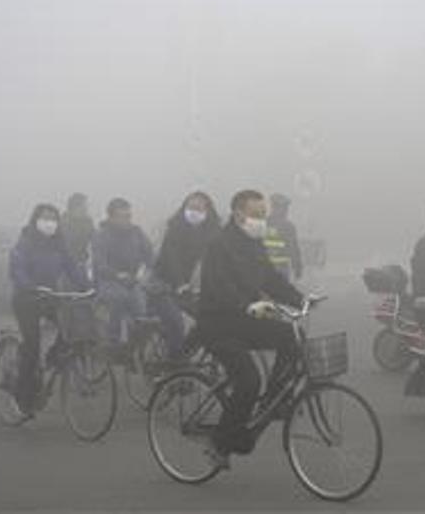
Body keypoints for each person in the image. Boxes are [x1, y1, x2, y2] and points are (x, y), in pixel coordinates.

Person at [198, 190, 304, 467]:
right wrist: (248, 304)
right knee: (248, 380)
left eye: (263, 215)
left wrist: (301, 299)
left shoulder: (255, 243)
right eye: (256, 215)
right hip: (217, 324)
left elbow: (270, 278)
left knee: (291, 336)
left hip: (245, 320)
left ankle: (273, 402)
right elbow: (220, 289)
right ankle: (219, 442)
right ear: (238, 214)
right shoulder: (218, 245)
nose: (261, 220)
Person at [8, 203, 90, 415]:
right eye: (45, 218)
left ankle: (52, 359)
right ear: (36, 219)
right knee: (32, 346)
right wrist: (28, 285)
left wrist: (88, 287)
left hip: (49, 297)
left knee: (70, 332)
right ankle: (21, 395)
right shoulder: (25, 242)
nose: (49, 223)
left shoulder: (58, 244)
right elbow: (17, 267)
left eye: (53, 219)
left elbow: (71, 267)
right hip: (26, 299)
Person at [150, 191, 221, 359]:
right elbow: (171, 258)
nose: (194, 211)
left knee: (209, 319)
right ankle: (175, 366)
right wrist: (180, 283)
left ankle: (186, 353)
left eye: (199, 208)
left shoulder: (212, 232)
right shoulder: (175, 228)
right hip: (163, 283)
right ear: (183, 208)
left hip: (187, 286)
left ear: (208, 211)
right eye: (191, 207)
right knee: (176, 322)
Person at [92, 198, 154, 354]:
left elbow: (150, 255)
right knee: (118, 298)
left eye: (129, 216)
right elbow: (99, 264)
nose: (127, 220)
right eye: (122, 216)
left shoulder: (137, 232)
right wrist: (117, 275)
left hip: (132, 280)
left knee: (142, 312)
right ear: (111, 217)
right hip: (108, 281)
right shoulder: (101, 235)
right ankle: (113, 342)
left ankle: (136, 348)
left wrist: (146, 272)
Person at [264, 193, 303, 282]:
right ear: (275, 207)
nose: (286, 210)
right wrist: (297, 267)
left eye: (286, 208)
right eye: (285, 207)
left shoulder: (263, 223)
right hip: (279, 268)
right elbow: (294, 248)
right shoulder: (288, 226)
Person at [60, 192, 94, 275]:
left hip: (81, 263)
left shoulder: (88, 222)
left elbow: (96, 239)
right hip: (63, 266)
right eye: (83, 206)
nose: (86, 208)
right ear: (73, 207)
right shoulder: (62, 223)